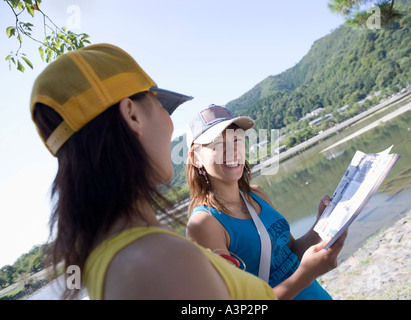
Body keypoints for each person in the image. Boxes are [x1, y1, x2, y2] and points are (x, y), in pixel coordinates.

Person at [30, 44, 277, 300]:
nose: (171, 125)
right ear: (132, 115)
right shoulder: (159, 261)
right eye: (162, 106)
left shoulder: (108, 259)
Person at [185, 105, 347, 300]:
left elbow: (290, 255)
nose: (232, 150)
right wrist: (307, 274)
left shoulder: (256, 194)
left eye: (237, 139)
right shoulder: (204, 224)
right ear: (195, 158)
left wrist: (322, 223)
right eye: (218, 144)